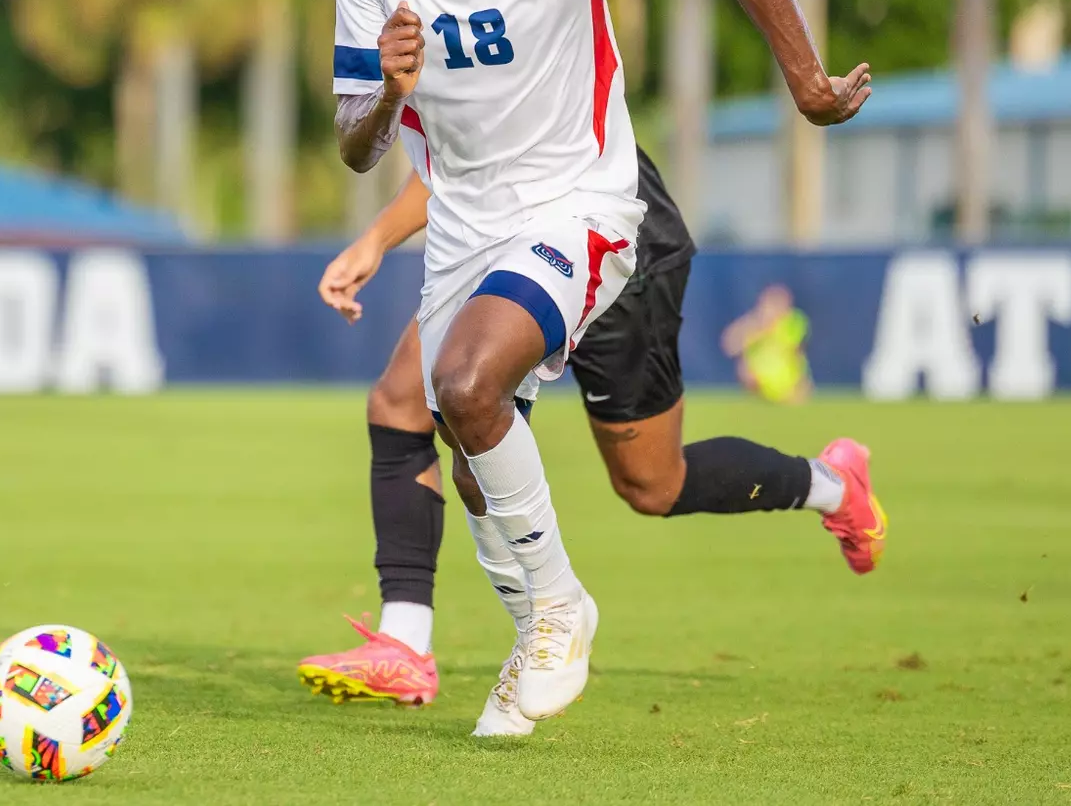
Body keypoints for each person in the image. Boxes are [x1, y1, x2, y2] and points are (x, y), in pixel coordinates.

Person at [326, 0, 873, 726]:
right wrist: (390, 90)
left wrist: (810, 84)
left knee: (462, 388)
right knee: (518, 448)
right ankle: (555, 610)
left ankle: (547, 613)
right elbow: (356, 140)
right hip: (465, 226)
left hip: (588, 208)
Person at [298, 160, 887, 735]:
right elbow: (452, 146)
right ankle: (417, 640)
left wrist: (808, 81)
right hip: (500, 246)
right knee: (420, 404)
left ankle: (832, 484)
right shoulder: (416, 66)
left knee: (652, 483)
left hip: (608, 238)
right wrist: (375, 239)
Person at [722, 284, 814, 404]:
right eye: (770, 304)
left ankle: (788, 392)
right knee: (744, 367)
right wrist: (751, 329)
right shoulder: (753, 324)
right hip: (760, 379)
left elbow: (796, 349)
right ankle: (763, 394)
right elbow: (729, 346)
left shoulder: (794, 322)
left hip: (786, 378)